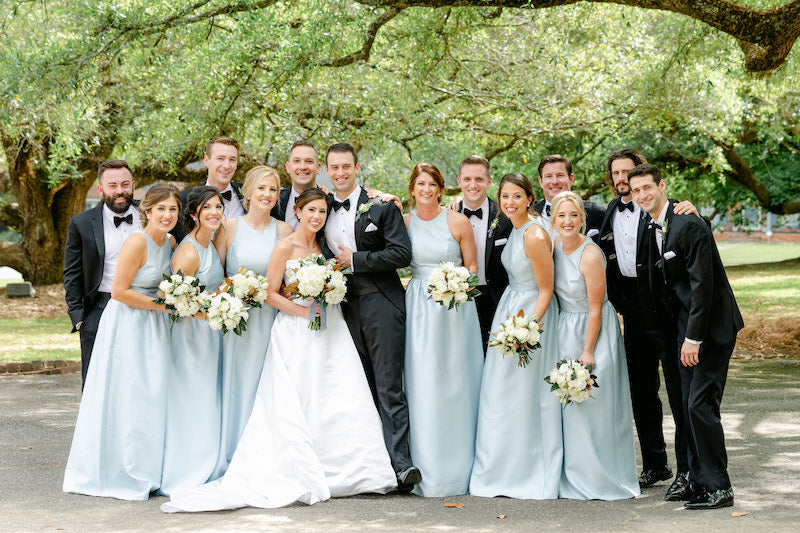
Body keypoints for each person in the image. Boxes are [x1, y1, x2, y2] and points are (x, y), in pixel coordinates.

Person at [161, 188, 396, 512]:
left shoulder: (324, 246)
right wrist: (302, 311)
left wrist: (329, 292)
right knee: (295, 397)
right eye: (310, 211)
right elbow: (269, 292)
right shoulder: (283, 246)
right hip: (294, 329)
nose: (316, 217)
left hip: (330, 327)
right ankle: (301, 468)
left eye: (321, 212)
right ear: (297, 211)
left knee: (337, 392)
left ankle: (355, 471)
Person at [629, 164, 743, 510]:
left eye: (647, 187)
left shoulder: (687, 224)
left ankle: (719, 487)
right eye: (635, 191)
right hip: (684, 332)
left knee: (700, 406)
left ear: (662, 185)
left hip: (710, 330)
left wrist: (693, 339)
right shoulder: (656, 224)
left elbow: (702, 288)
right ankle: (698, 481)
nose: (641, 195)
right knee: (689, 408)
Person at [63, 183, 180, 500]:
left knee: (152, 394)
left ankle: (150, 465)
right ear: (147, 212)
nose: (167, 215)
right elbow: (119, 292)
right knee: (129, 393)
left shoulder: (169, 241)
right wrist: (165, 306)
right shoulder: (136, 242)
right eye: (161, 209)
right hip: (128, 323)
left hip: (153, 325)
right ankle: (123, 468)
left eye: (172, 209)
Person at [322, 142, 420, 492]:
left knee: (389, 384)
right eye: (334, 167)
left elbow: (401, 253)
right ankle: (370, 466)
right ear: (327, 170)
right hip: (342, 305)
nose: (340, 173)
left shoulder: (381, 206)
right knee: (358, 385)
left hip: (381, 301)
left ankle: (402, 467)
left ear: (357, 166)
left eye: (346, 166)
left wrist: (357, 261)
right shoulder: (322, 208)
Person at [597, 149, 690, 496]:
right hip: (632, 313)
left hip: (665, 311)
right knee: (641, 392)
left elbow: (692, 230)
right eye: (616, 173)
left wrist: (693, 210)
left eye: (628, 172)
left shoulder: (669, 208)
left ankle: (688, 469)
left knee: (680, 395)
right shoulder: (608, 209)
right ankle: (656, 463)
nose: (622, 179)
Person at [469, 173, 561, 499]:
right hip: (510, 310)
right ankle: (504, 466)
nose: (510, 202)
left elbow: (547, 289)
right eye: (505, 196)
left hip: (529, 315)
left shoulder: (535, 234)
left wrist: (527, 331)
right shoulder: (514, 227)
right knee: (502, 393)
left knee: (522, 394)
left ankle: (526, 469)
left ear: (529, 198)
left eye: (517, 196)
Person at [550, 191, 639, 500]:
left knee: (596, 404)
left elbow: (597, 307)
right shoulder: (556, 246)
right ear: (554, 219)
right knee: (571, 407)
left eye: (573, 215)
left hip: (594, 331)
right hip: (565, 328)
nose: (567, 221)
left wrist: (587, 350)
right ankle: (574, 475)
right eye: (561, 215)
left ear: (582, 219)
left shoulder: (590, 254)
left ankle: (601, 478)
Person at [402, 163, 483, 497]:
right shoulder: (404, 221)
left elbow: (473, 266)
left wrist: (457, 284)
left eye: (432, 184)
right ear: (412, 188)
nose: (426, 189)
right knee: (423, 381)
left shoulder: (457, 220)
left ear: (440, 187)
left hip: (455, 307)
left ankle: (461, 467)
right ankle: (425, 466)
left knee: (457, 381)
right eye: (420, 184)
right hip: (418, 307)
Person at [211, 166, 293, 479]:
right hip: (236, 321)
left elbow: (287, 281)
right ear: (248, 192)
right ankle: (232, 454)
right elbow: (216, 275)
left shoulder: (283, 231)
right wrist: (232, 294)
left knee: (265, 384)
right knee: (236, 383)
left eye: (273, 190)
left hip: (269, 320)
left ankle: (263, 456)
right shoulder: (229, 227)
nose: (267, 195)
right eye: (261, 188)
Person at [160, 186, 225, 496]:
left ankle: (208, 461)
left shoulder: (209, 244)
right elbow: (179, 303)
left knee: (206, 399)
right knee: (192, 398)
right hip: (191, 337)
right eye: (208, 207)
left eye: (218, 207)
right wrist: (217, 313)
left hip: (209, 335)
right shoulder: (188, 251)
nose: (215, 212)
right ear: (193, 214)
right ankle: (187, 468)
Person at [63, 160, 140, 389]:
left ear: (133, 185)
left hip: (144, 309)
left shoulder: (152, 215)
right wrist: (79, 318)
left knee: (138, 379)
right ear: (101, 189)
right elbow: (72, 273)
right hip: (99, 311)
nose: (120, 191)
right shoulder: (81, 223)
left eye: (125, 184)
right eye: (113, 185)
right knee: (96, 384)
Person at [452, 156, 513, 351]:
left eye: (479, 179)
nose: (473, 185)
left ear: (489, 181)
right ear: (459, 181)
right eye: (467, 179)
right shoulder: (447, 215)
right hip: (458, 299)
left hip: (496, 299)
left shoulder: (506, 216)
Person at [172, 137, 244, 242]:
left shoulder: (250, 194)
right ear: (207, 161)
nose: (227, 165)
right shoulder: (183, 200)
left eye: (232, 160)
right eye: (220, 158)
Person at [533, 154, 604, 236]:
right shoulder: (529, 212)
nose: (554, 181)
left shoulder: (596, 212)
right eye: (548, 176)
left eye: (560, 175)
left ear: (571, 179)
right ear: (541, 181)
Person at [270, 140, 322, 229]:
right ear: (288, 167)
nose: (302, 167)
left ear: (318, 168)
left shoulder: (330, 202)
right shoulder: (274, 200)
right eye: (297, 161)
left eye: (309, 161)